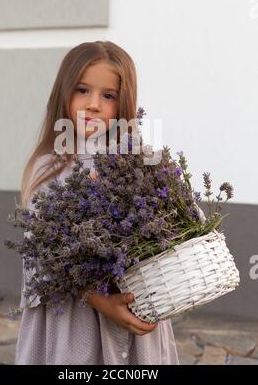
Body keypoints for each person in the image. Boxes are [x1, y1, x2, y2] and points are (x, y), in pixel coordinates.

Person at [14, 41, 179, 365]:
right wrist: (98, 299)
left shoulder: (136, 162)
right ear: (63, 94)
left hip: (134, 306)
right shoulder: (51, 166)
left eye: (108, 95)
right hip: (72, 316)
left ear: (125, 102)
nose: (93, 104)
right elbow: (41, 255)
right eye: (82, 90)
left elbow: (159, 232)